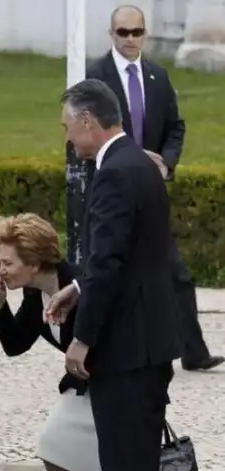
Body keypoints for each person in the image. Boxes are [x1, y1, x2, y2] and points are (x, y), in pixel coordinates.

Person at [0, 212, 211, 471]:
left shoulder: (80, 284)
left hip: (115, 382)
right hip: (84, 384)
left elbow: (118, 334)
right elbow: (15, 343)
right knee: (54, 450)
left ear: (34, 262)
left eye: (7, 263)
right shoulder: (34, 292)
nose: (1, 270)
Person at [44, 78, 202, 471]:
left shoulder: (115, 173)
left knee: (124, 460)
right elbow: (127, 257)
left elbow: (109, 263)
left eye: (69, 127)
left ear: (87, 120)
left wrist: (83, 338)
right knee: (129, 458)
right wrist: (77, 290)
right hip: (149, 337)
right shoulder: (140, 163)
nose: (68, 138)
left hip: (128, 344)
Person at [67, 4, 223, 372]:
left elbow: (175, 126)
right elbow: (81, 137)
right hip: (112, 189)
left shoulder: (157, 76)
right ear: (111, 34)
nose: (130, 39)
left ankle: (193, 350)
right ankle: (93, 342)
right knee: (107, 266)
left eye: (136, 32)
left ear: (145, 34)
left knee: (175, 273)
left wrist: (165, 162)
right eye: (123, 33)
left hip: (150, 192)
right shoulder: (95, 78)